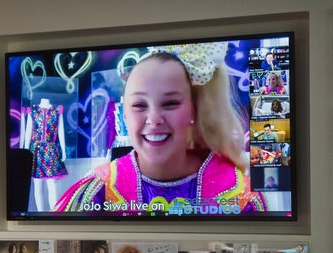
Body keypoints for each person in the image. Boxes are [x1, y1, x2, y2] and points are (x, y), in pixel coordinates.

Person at [54, 45, 266, 215]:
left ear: (192, 111)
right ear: (124, 115)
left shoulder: (236, 192)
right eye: (139, 105)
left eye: (170, 103)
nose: (154, 119)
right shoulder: (98, 191)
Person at [22, 97, 68, 211]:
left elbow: (61, 130)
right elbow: (28, 132)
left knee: (51, 183)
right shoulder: (33, 111)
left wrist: (63, 149)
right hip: (36, 150)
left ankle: (54, 213)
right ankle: (40, 213)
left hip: (51, 150)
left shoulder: (56, 111)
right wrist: (25, 151)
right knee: (37, 185)